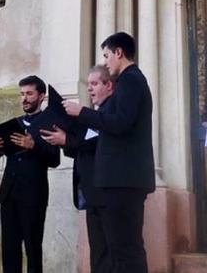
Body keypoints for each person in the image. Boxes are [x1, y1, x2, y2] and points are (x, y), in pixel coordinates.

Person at [64, 32, 154, 273]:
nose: (105, 62)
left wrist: (82, 112)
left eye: (106, 56)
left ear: (119, 53)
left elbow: (119, 122)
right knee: (119, 249)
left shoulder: (130, 80)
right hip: (120, 181)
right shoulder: (130, 81)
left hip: (124, 181)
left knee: (126, 250)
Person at [0, 75, 60, 273]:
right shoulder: (15, 122)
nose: (24, 98)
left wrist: (33, 145)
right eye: (22, 94)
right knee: (9, 249)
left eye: (29, 94)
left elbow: (54, 160)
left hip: (33, 196)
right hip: (9, 193)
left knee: (33, 249)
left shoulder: (49, 123)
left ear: (41, 96)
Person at [40, 65, 113, 273]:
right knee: (98, 253)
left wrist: (68, 140)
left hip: (106, 193)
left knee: (110, 252)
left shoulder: (109, 115)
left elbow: (99, 147)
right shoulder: (95, 115)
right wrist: (64, 140)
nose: (90, 89)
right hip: (91, 193)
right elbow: (84, 149)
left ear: (109, 85)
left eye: (95, 83)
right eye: (88, 84)